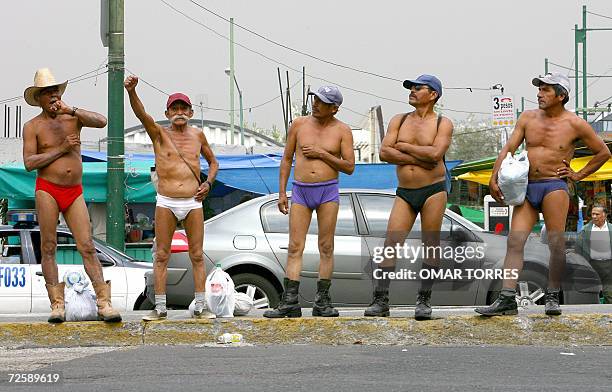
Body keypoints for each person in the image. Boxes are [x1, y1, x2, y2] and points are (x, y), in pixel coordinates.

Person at [475, 73, 610, 316]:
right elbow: (510, 148)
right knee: (514, 241)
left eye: (546, 90)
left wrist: (577, 175)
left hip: (554, 187)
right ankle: (507, 298)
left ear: (561, 95)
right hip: (527, 186)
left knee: (556, 244)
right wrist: (493, 177)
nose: (539, 94)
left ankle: (552, 296)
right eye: (539, 89)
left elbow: (602, 153)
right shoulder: (527, 117)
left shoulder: (575, 123)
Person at [22, 68, 121, 323]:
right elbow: (30, 162)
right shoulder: (33, 126)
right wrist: (62, 149)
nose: (53, 97)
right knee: (48, 246)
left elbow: (102, 121)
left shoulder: (72, 117)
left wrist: (72, 110)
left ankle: (103, 301)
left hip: (74, 190)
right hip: (48, 188)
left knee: (87, 245)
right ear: (39, 98)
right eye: (47, 93)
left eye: (55, 91)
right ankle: (57, 303)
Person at [124, 75, 219, 321]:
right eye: (175, 108)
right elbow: (141, 114)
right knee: (162, 254)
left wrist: (208, 183)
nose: (179, 112)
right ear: (167, 113)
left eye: (183, 108)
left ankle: (200, 305)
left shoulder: (198, 135)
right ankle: (160, 307)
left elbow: (213, 162)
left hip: (192, 201)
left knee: (197, 254)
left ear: (190, 111)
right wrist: (132, 91)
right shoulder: (159, 134)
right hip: (166, 200)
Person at [363, 75, 453, 320]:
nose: (412, 91)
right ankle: (380, 301)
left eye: (417, 88)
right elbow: (384, 152)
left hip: (433, 190)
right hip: (405, 191)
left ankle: (424, 301)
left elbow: (436, 153)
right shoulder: (399, 120)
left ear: (433, 94)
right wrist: (420, 156)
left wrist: (403, 148)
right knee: (390, 243)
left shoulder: (443, 123)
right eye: (410, 88)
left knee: (431, 244)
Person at [263, 86, 355, 318]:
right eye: (314, 99)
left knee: (326, 246)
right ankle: (290, 302)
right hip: (301, 190)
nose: (315, 104)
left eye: (322, 102)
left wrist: (322, 153)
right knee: (295, 246)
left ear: (334, 108)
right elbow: (286, 159)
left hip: (328, 191)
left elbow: (350, 167)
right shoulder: (299, 124)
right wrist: (282, 192)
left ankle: (322, 301)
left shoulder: (342, 130)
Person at [575, 205, 612, 304]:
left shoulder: (611, 229)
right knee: (590, 293)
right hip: (591, 266)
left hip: (609, 266)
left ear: (604, 215)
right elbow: (579, 249)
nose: (594, 216)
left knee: (609, 294)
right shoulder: (585, 230)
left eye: (597, 214)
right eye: (593, 214)